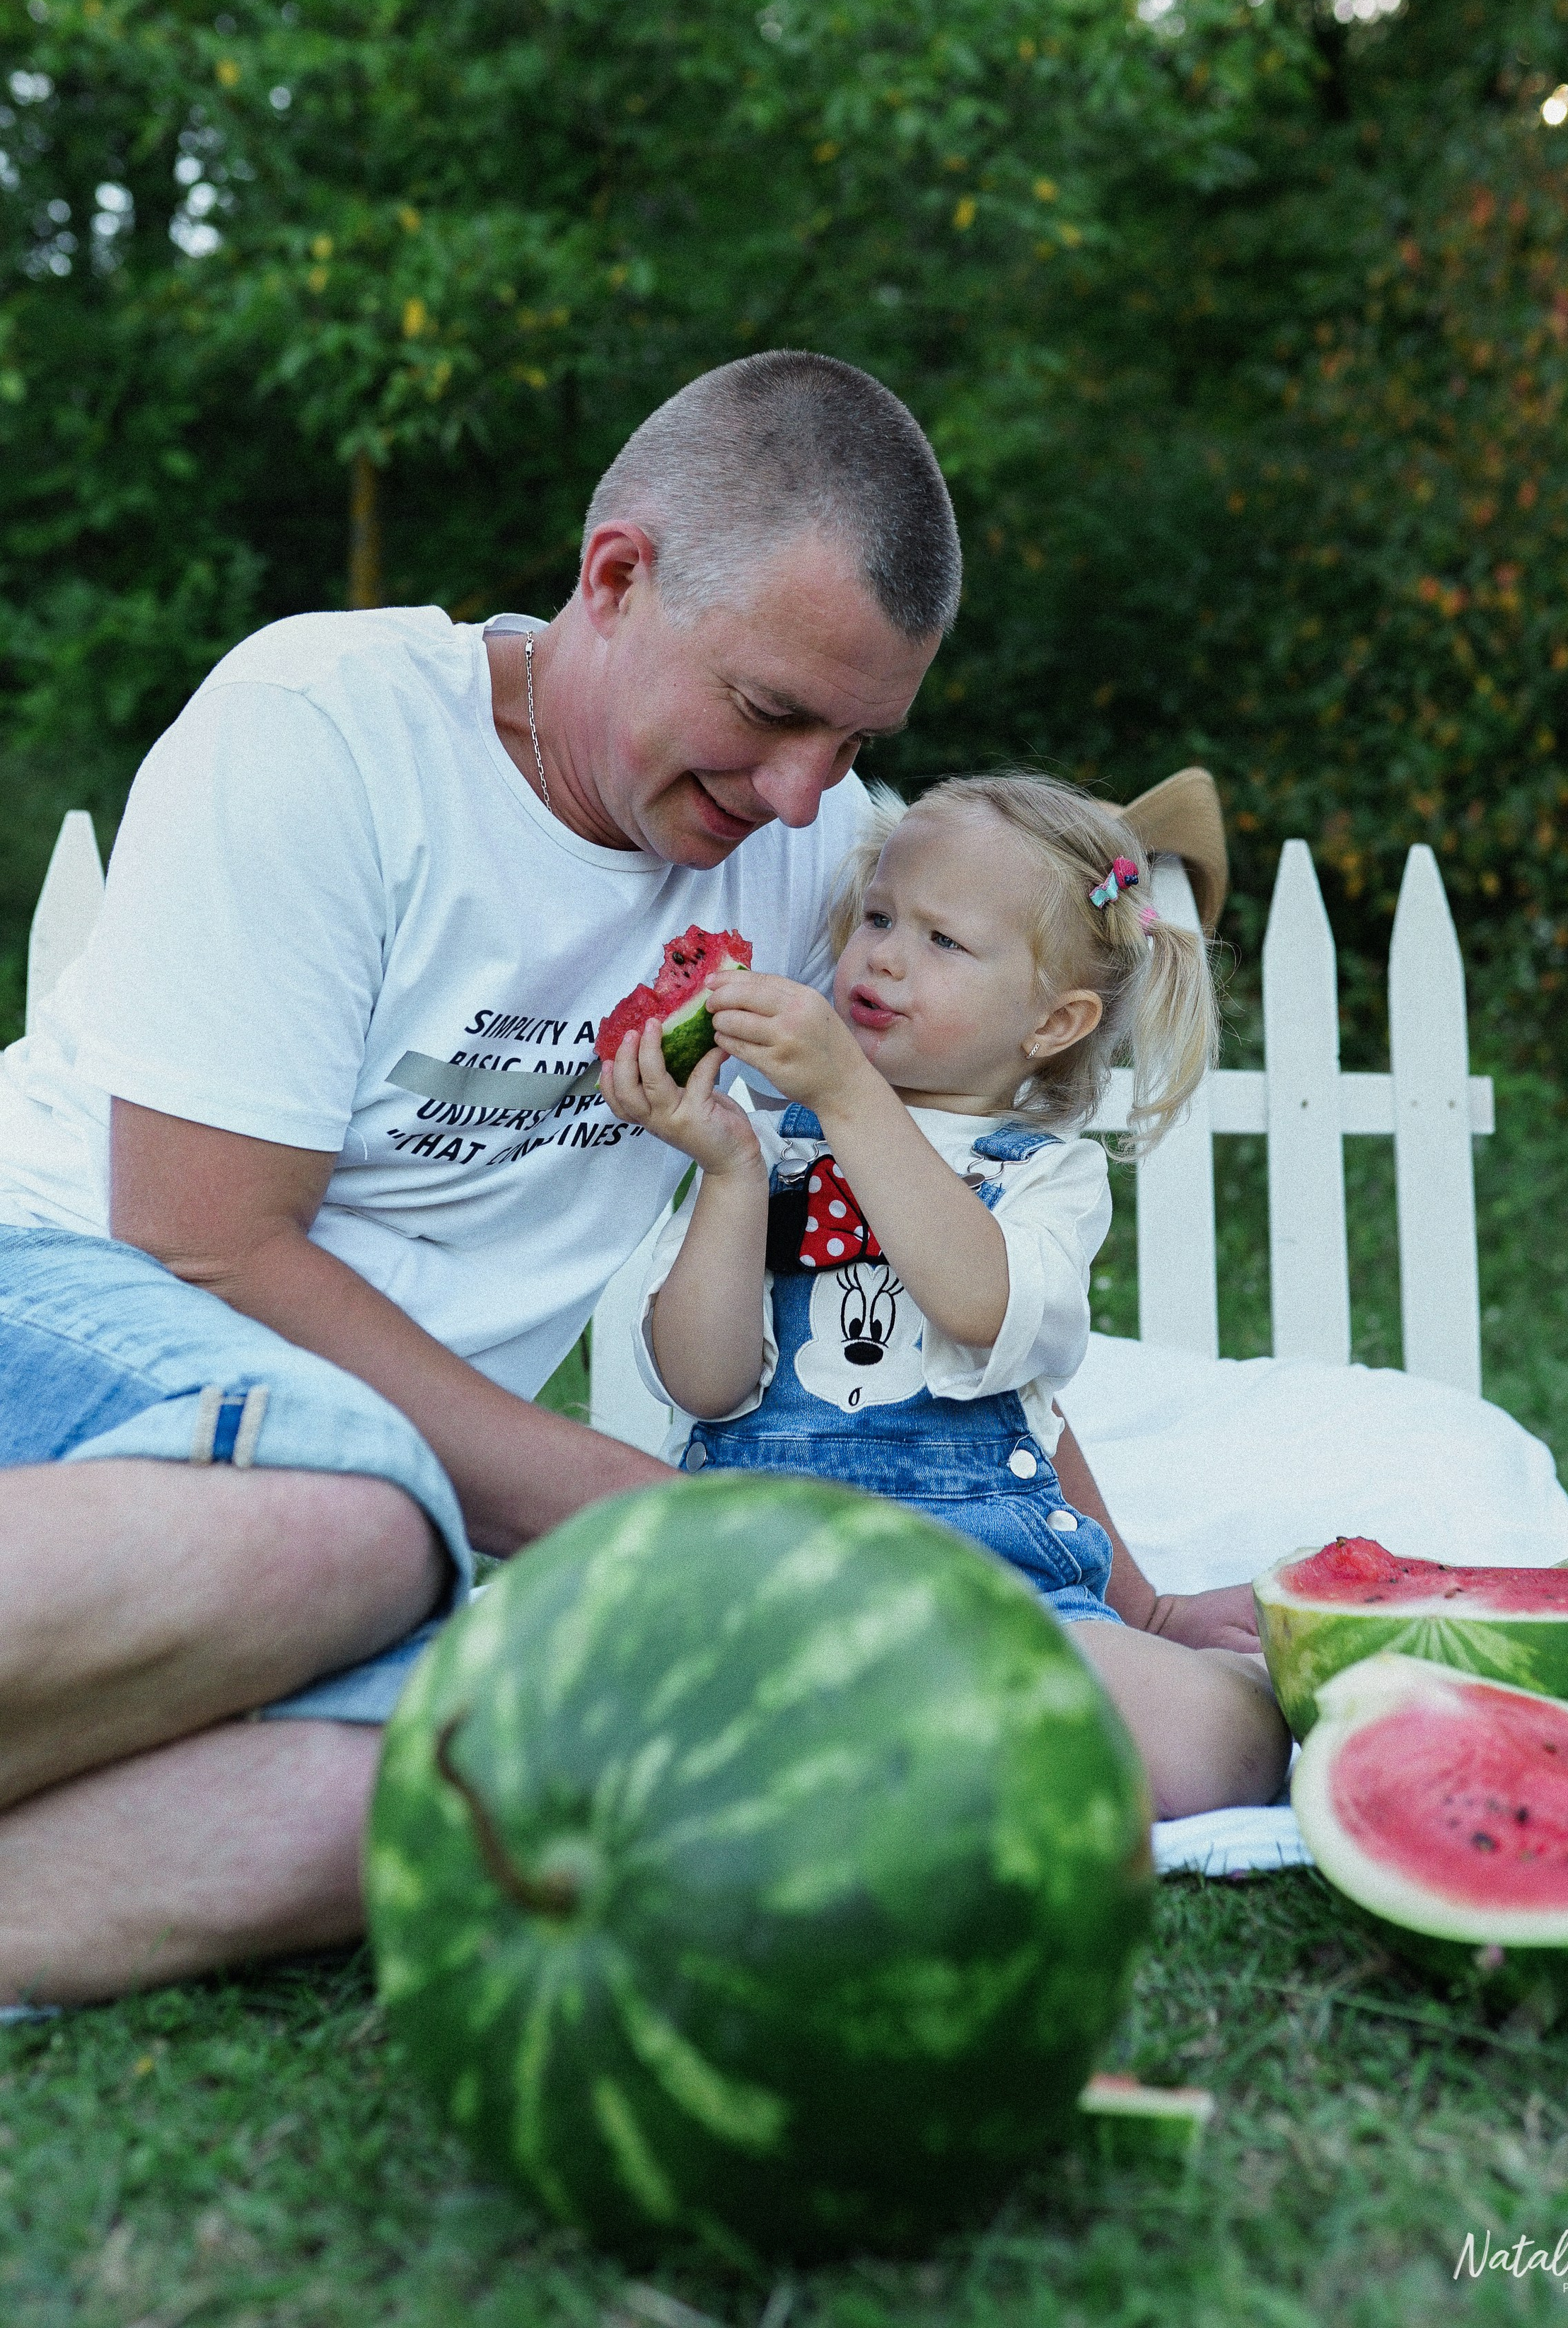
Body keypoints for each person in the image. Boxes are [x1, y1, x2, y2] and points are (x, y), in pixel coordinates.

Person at [0, 352, 1256, 2008]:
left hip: (364, 1495)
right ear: (615, 577)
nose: (803, 793)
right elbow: (205, 1246)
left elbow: (942, 1262)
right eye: (771, 711)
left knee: (500, 1773)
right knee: (351, 1530)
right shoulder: (329, 729)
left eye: (855, 740)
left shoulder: (810, 861)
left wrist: (1132, 1603)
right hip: (68, 1302)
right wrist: (673, 1532)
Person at [606, 773, 1289, 1819]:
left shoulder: (1048, 1177)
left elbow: (985, 1317)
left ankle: (892, 1758)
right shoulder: (763, 1143)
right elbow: (702, 1383)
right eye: (879, 918)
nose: (884, 956)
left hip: (993, 1602)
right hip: (762, 1585)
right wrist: (733, 1173)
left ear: (1054, 1022)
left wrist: (1145, 1614)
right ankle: (913, 1766)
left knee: (1217, 1740)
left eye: (943, 941)